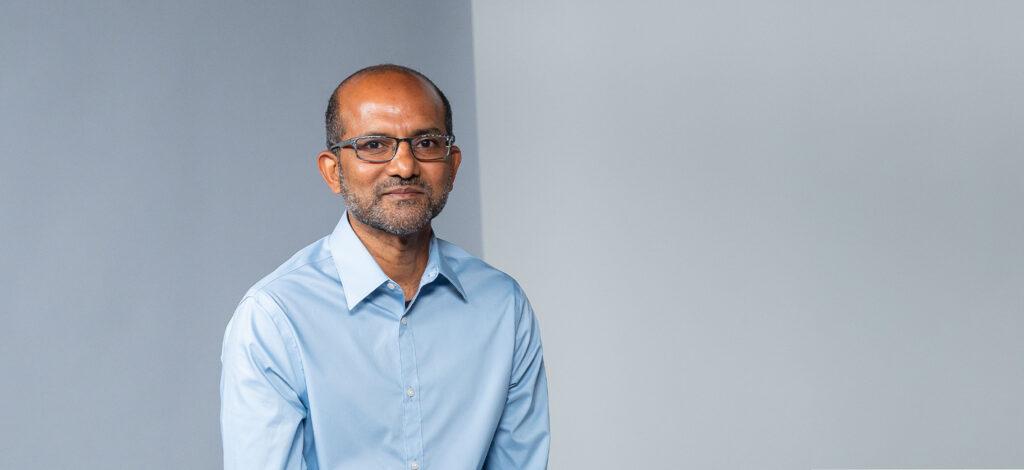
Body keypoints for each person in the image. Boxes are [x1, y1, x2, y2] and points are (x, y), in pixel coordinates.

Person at [219, 64, 550, 469]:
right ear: (332, 171)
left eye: (427, 142)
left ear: (453, 163)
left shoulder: (502, 306)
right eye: (374, 145)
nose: (405, 166)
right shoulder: (275, 317)